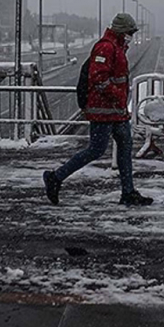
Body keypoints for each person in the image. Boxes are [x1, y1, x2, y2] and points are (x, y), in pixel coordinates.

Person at [43, 13, 153, 206]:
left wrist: (119, 100)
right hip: (103, 110)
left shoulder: (118, 47)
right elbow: (98, 78)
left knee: (125, 148)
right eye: (129, 32)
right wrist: (117, 95)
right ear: (121, 31)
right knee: (96, 150)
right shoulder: (105, 47)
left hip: (116, 111)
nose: (132, 36)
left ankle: (128, 192)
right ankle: (55, 177)